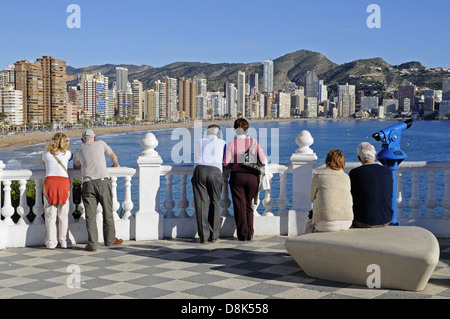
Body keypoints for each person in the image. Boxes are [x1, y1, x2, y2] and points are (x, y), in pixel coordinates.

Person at [73, 129, 123, 252]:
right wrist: (116, 165)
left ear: (82, 140)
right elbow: (113, 155)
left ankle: (92, 245)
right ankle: (110, 240)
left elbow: (75, 166)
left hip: (88, 184)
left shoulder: (80, 150)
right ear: (94, 138)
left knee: (90, 216)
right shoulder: (101, 144)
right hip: (103, 182)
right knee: (108, 212)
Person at [223, 118, 267, 241]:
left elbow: (226, 163)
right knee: (249, 206)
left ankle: (243, 234)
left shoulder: (231, 144)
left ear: (235, 130)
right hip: (252, 177)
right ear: (247, 129)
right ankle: (250, 233)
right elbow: (263, 160)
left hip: (238, 176)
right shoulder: (253, 142)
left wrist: (236, 163)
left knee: (239, 206)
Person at [191, 124, 227, 243]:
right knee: (214, 202)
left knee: (201, 204)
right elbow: (225, 161)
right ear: (218, 134)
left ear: (207, 133)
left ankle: (203, 237)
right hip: (215, 172)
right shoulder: (223, 143)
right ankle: (214, 235)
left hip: (200, 170)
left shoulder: (199, 141)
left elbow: (196, 159)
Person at [306, 149, 353, 233]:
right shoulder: (346, 177)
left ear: (327, 160)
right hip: (347, 221)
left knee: (309, 221)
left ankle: (305, 244)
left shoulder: (319, 176)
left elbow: (312, 198)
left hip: (326, 223)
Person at [349, 142, 393, 228]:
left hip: (363, 220)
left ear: (359, 158)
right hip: (385, 219)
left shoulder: (355, 173)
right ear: (375, 155)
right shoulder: (387, 172)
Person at [42, 133, 73, 249]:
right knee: (63, 215)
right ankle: (64, 241)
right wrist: (68, 145)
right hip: (63, 183)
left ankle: (51, 242)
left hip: (50, 182)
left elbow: (45, 164)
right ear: (65, 142)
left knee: (50, 214)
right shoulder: (67, 153)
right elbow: (70, 156)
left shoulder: (45, 153)